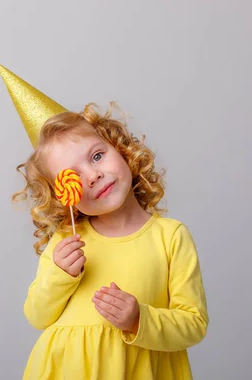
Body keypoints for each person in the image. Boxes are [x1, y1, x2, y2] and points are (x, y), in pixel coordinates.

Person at [12, 103, 209, 379]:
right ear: (62, 195)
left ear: (122, 148)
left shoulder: (170, 237)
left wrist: (140, 319)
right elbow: (36, 315)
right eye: (73, 176)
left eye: (97, 156)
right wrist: (60, 275)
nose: (93, 176)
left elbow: (194, 323)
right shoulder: (66, 241)